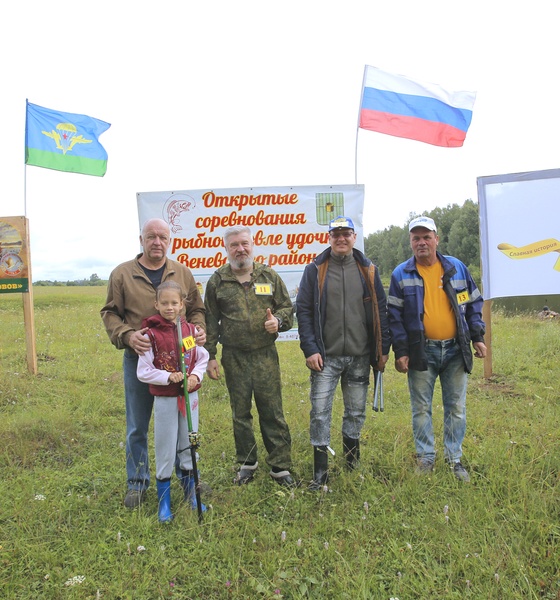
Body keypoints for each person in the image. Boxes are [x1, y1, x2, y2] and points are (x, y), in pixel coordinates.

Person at [101, 218, 206, 508]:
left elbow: (197, 309)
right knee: (138, 425)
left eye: (162, 236)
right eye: (151, 237)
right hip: (141, 363)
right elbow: (110, 313)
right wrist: (128, 335)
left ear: (169, 239)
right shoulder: (122, 274)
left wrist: (198, 329)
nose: (157, 242)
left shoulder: (182, 272)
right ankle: (137, 483)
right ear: (141, 239)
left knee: (181, 424)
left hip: (179, 365)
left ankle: (187, 477)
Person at [387, 216, 487, 482]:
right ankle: (426, 457)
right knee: (421, 408)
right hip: (422, 352)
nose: (421, 243)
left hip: (456, 350)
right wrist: (401, 351)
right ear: (410, 242)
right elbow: (394, 318)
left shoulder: (457, 268)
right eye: (416, 238)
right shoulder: (400, 274)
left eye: (426, 237)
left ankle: (454, 459)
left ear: (436, 239)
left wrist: (477, 336)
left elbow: (473, 304)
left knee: (456, 407)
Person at [296, 216, 390, 490]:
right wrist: (310, 349)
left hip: (361, 356)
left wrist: (382, 351)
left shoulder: (368, 269)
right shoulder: (315, 269)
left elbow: (380, 311)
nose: (341, 238)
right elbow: (304, 311)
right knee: (320, 413)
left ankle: (352, 463)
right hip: (325, 358)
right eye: (335, 234)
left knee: (355, 412)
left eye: (346, 233)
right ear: (329, 238)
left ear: (354, 237)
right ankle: (320, 473)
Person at [204, 225, 296, 487]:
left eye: (244, 243)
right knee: (240, 413)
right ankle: (247, 464)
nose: (240, 249)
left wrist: (278, 321)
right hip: (234, 357)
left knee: (272, 410)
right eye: (234, 245)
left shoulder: (268, 276)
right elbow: (210, 320)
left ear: (252, 245)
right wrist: (210, 356)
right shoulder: (217, 281)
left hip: (265, 355)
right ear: (226, 248)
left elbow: (287, 308)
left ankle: (280, 467)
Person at [136, 281, 209, 522]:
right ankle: (164, 502)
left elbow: (201, 357)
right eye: (164, 303)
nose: (169, 307)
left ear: (182, 304)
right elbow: (143, 371)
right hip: (166, 398)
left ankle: (192, 495)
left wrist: (195, 375)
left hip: (190, 396)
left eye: (174, 303)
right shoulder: (150, 334)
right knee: (166, 446)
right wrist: (168, 376)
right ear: (156, 304)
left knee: (190, 441)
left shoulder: (191, 331)